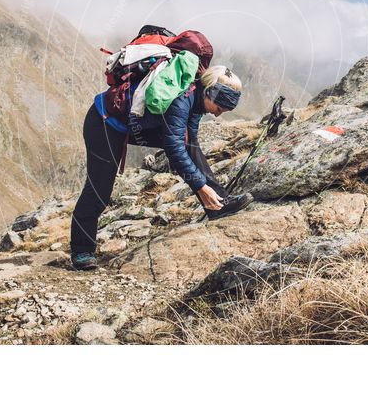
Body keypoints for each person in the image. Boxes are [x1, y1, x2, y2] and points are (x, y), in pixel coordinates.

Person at [69, 64, 253, 271]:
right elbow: (175, 152)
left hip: (131, 125)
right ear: (209, 92)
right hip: (103, 123)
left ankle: (219, 204)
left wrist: (210, 191)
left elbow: (190, 144)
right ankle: (82, 250)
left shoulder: (197, 100)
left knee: (191, 148)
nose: (219, 115)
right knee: (99, 188)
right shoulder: (182, 101)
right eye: (220, 109)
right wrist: (201, 187)